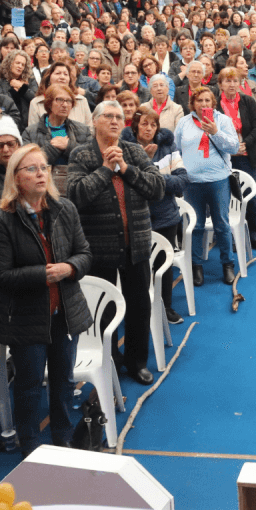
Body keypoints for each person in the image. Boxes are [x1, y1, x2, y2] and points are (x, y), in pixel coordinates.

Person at [0, 145, 94, 457]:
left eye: (44, 168)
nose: (41, 174)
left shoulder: (65, 209)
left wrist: (71, 268)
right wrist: (41, 274)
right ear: (16, 178)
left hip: (65, 312)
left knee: (64, 382)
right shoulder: (1, 219)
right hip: (25, 316)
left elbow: (85, 253)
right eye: (31, 169)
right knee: (29, 385)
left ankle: (63, 438)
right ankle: (30, 445)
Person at [67, 100, 165, 384]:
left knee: (139, 306)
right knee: (105, 309)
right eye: (107, 116)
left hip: (136, 243)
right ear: (94, 121)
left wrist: (125, 169)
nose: (114, 121)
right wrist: (105, 170)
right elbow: (75, 196)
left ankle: (137, 363)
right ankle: (109, 360)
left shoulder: (133, 151)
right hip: (99, 246)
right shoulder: (82, 155)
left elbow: (157, 189)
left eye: (119, 117)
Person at [174, 86, 238, 285]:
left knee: (222, 224)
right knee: (196, 226)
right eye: (199, 101)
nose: (203, 104)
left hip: (218, 180)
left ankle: (227, 264)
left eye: (207, 100)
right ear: (192, 104)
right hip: (192, 183)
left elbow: (234, 147)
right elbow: (177, 150)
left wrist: (215, 132)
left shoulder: (223, 121)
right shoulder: (184, 123)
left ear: (213, 103)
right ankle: (196, 266)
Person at [131, 107, 188, 323]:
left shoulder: (168, 147)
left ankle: (166, 307)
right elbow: (129, 186)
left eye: (153, 125)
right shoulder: (127, 149)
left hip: (166, 216)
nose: (149, 128)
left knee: (163, 267)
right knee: (140, 269)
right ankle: (142, 311)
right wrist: (156, 178)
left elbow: (182, 180)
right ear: (136, 126)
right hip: (138, 219)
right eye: (144, 124)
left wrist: (154, 182)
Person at [216, 67, 256, 252]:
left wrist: (246, 142)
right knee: (227, 200)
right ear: (220, 84)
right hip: (224, 159)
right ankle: (233, 237)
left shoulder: (247, 101)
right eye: (227, 81)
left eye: (234, 81)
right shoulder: (215, 106)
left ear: (239, 83)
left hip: (246, 155)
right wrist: (229, 148)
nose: (231, 84)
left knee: (252, 198)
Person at [25, 86, 89, 194]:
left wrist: (68, 146)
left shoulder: (83, 130)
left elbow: (90, 159)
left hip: (74, 189)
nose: (65, 105)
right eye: (59, 100)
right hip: (42, 190)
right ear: (49, 103)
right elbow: (27, 164)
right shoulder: (30, 132)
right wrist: (53, 148)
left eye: (68, 101)